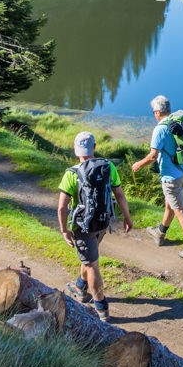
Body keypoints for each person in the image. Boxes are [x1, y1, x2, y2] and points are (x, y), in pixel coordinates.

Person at [58, 131, 132, 321]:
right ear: (95, 147)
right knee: (89, 258)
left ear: (76, 150)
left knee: (92, 265)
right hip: (103, 222)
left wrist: (64, 230)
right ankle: (80, 287)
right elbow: (119, 195)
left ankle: (101, 309)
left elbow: (62, 207)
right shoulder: (108, 167)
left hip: (82, 227)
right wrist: (127, 217)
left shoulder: (71, 173)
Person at [131, 94, 183, 260]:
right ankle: (160, 233)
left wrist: (138, 164)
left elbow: (153, 156)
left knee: (180, 210)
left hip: (171, 178)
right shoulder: (180, 121)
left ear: (157, 112)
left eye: (154, 112)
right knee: (170, 204)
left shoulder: (160, 129)